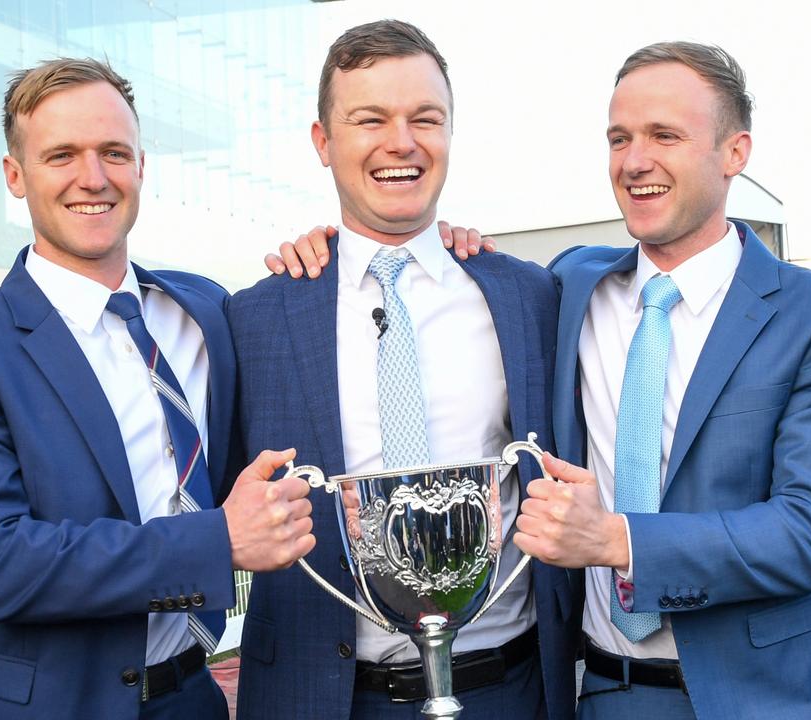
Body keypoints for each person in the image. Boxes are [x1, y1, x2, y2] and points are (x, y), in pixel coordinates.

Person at [275, 40, 811, 720]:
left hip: (774, 697)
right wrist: (361, 247)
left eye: (665, 135)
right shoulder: (569, 288)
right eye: (619, 138)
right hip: (602, 696)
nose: (635, 161)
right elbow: (417, 251)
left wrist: (616, 540)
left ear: (736, 152)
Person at [0, 58, 315, 720]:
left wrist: (337, 254)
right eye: (62, 155)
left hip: (191, 699)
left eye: (113, 152)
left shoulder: (203, 310)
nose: (94, 178)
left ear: (141, 165)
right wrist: (217, 542)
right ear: (15, 176)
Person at [230, 20, 578, 720]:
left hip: (507, 693)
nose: (402, 142)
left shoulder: (529, 297)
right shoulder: (250, 319)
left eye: (426, 118)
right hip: (320, 699)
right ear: (323, 143)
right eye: (370, 119)